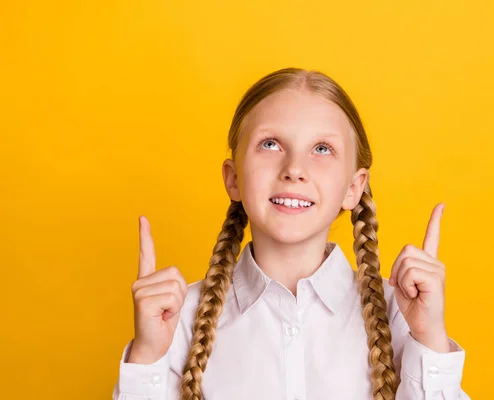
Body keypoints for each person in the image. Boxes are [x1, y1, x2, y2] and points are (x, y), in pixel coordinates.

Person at [112, 67, 471, 400]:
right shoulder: (177, 321)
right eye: (270, 144)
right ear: (233, 177)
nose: (294, 169)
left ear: (354, 187)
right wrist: (147, 357)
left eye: (322, 149)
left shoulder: (401, 316)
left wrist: (430, 339)